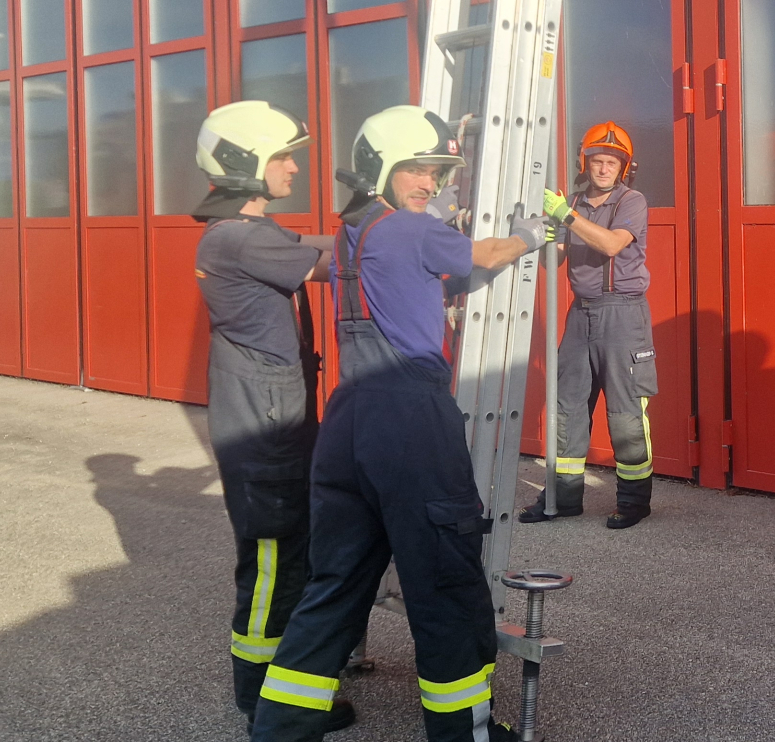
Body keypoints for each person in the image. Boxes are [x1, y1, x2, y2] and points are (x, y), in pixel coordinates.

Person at [250, 105, 546, 742]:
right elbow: (487, 253)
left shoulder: (354, 231)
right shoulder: (411, 230)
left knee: (335, 583)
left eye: (437, 172)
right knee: (446, 581)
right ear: (380, 168)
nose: (430, 184)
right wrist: (530, 233)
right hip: (410, 419)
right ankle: (462, 732)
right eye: (417, 169)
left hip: (348, 422)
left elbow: (416, 281)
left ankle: (279, 728)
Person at [191, 101, 352, 732]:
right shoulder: (238, 236)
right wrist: (411, 236)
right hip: (264, 426)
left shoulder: (247, 232)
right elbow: (331, 260)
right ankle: (260, 696)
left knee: (284, 557)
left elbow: (313, 243)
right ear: (245, 162)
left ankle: (281, 685)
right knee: (270, 562)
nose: (292, 167)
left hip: (268, 413)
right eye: (282, 156)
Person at [520, 121, 659, 530]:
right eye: (597, 161)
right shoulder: (575, 203)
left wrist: (566, 216)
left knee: (625, 412)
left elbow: (613, 244)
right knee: (567, 408)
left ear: (624, 168)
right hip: (581, 314)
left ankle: (634, 503)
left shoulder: (632, 202)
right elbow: (556, 261)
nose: (603, 169)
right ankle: (564, 498)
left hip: (624, 315)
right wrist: (545, 238)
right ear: (586, 163)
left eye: (612, 163)